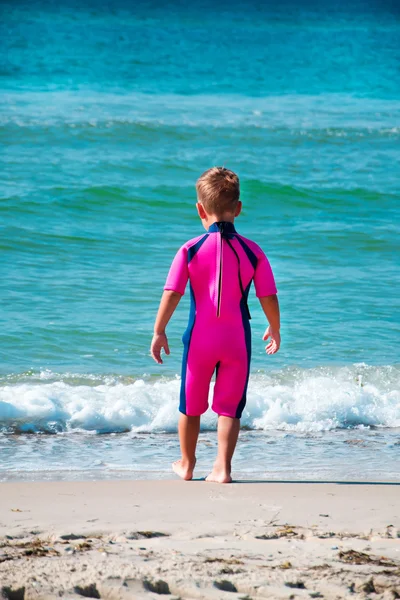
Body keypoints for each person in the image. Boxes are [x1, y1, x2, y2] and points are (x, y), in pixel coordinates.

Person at [150, 167, 280, 483]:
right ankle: (222, 467)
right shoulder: (253, 251)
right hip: (237, 339)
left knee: (190, 404)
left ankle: (187, 464)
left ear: (199, 210)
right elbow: (268, 295)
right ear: (238, 209)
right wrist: (275, 328)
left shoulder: (190, 249)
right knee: (229, 407)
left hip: (200, 340)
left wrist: (159, 330)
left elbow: (173, 292)